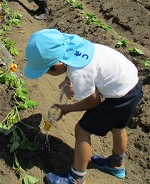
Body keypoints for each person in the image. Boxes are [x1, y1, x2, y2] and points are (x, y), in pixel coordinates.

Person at [24, 29, 143, 183]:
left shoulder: (79, 72)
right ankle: (116, 165)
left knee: (82, 130)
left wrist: (66, 109)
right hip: (131, 86)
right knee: (118, 127)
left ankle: (76, 178)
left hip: (120, 97)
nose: (47, 74)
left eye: (47, 71)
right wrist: (70, 79)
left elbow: (93, 102)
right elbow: (83, 66)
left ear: (58, 64)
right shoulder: (75, 44)